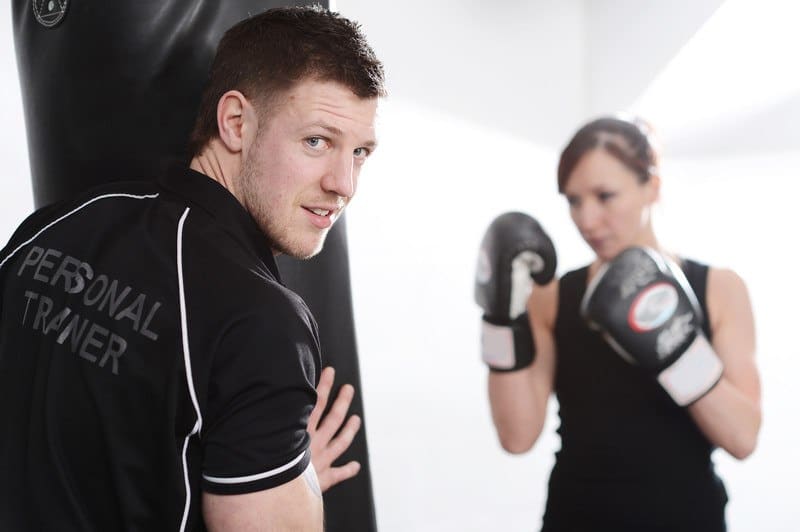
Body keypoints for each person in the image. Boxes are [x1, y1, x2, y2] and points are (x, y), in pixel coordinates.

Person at [0, 5, 385, 531]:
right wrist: (291, 478)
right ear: (235, 123)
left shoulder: (51, 228)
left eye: (360, 151)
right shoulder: (262, 322)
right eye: (316, 141)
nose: (344, 183)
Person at [475, 115, 761, 531]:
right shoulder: (552, 296)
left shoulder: (719, 288)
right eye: (573, 200)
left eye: (605, 196)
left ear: (652, 187)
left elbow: (743, 438)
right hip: (577, 516)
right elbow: (516, 437)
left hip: (687, 516)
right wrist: (500, 317)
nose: (587, 220)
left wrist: (675, 348)